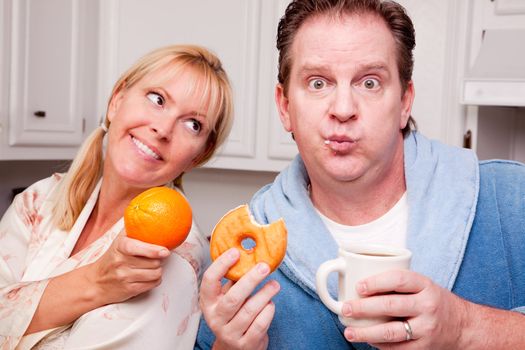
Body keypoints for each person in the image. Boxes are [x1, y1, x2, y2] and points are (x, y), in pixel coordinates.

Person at [196, 0, 525, 349]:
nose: (343, 109)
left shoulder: (511, 200)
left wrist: (464, 328)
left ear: (404, 102)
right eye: (318, 83)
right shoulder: (245, 256)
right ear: (285, 106)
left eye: (369, 83)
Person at [0, 44, 233, 349]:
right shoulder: (38, 200)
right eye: (157, 99)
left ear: (198, 156)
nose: (162, 129)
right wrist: (95, 282)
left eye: (193, 124)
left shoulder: (169, 258)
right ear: (117, 100)